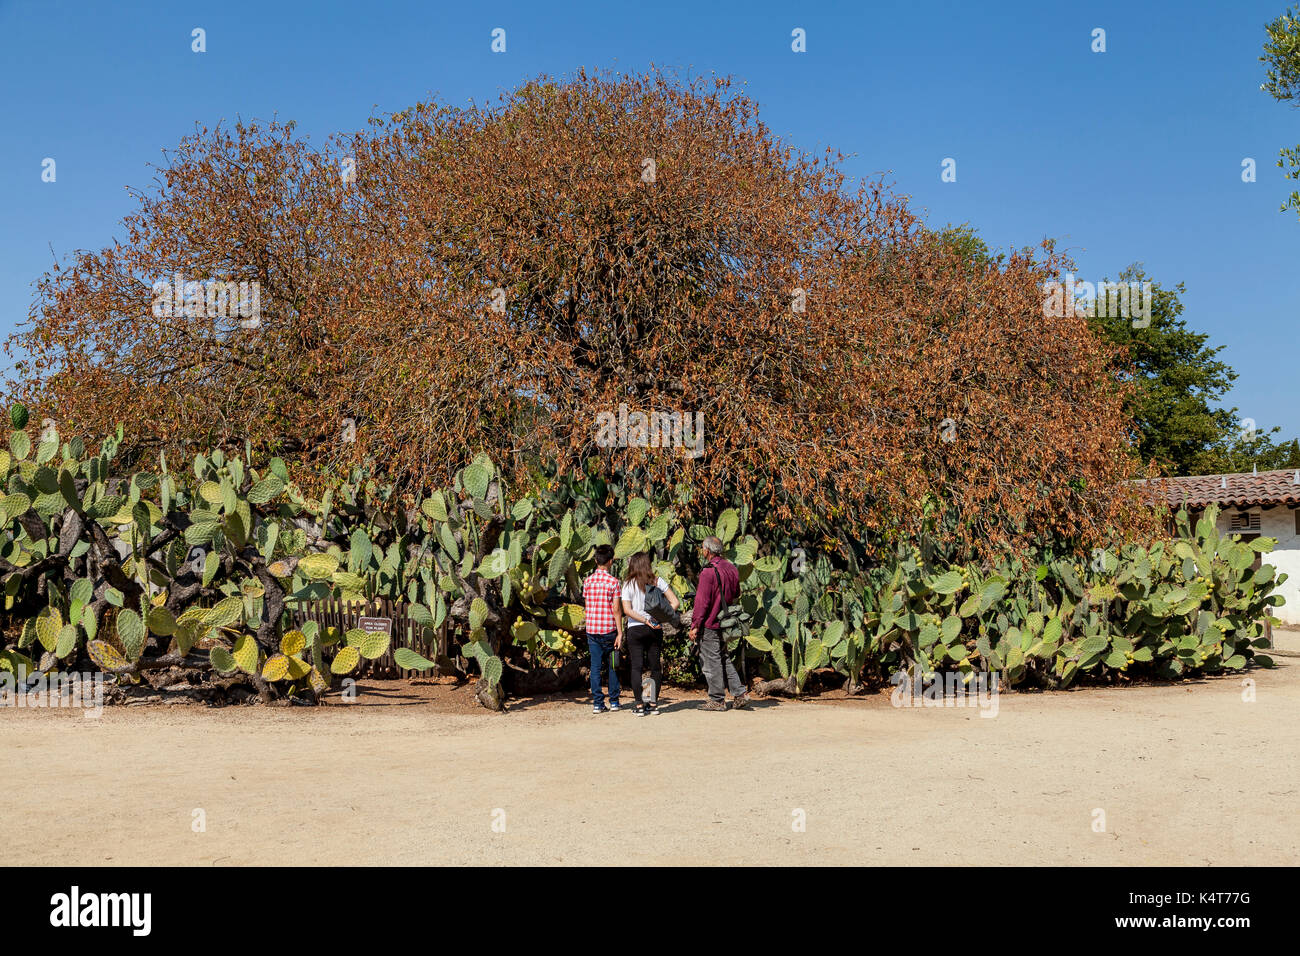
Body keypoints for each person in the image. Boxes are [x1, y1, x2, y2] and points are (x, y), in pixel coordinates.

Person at [689, 535, 749, 711]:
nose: (702, 551)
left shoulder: (708, 572)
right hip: (725, 621)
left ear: (707, 551)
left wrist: (695, 625)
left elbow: (702, 603)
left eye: (702, 548)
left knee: (711, 661)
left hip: (710, 622)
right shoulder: (732, 568)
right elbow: (736, 593)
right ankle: (740, 694)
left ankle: (717, 700)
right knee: (723, 658)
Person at [620, 551, 681, 716]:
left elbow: (627, 610)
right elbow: (675, 602)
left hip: (635, 629)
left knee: (636, 667)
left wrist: (644, 620)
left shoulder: (628, 584)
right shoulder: (657, 581)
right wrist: (657, 618)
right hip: (655, 628)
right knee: (655, 667)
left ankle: (640, 705)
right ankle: (653, 704)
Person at [581, 543, 624, 713]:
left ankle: (598, 703)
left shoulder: (587, 582)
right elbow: (616, 609)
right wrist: (620, 632)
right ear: (610, 561)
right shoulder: (613, 582)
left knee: (595, 667)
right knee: (613, 666)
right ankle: (614, 702)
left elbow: (587, 606)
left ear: (595, 561)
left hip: (592, 630)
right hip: (609, 631)